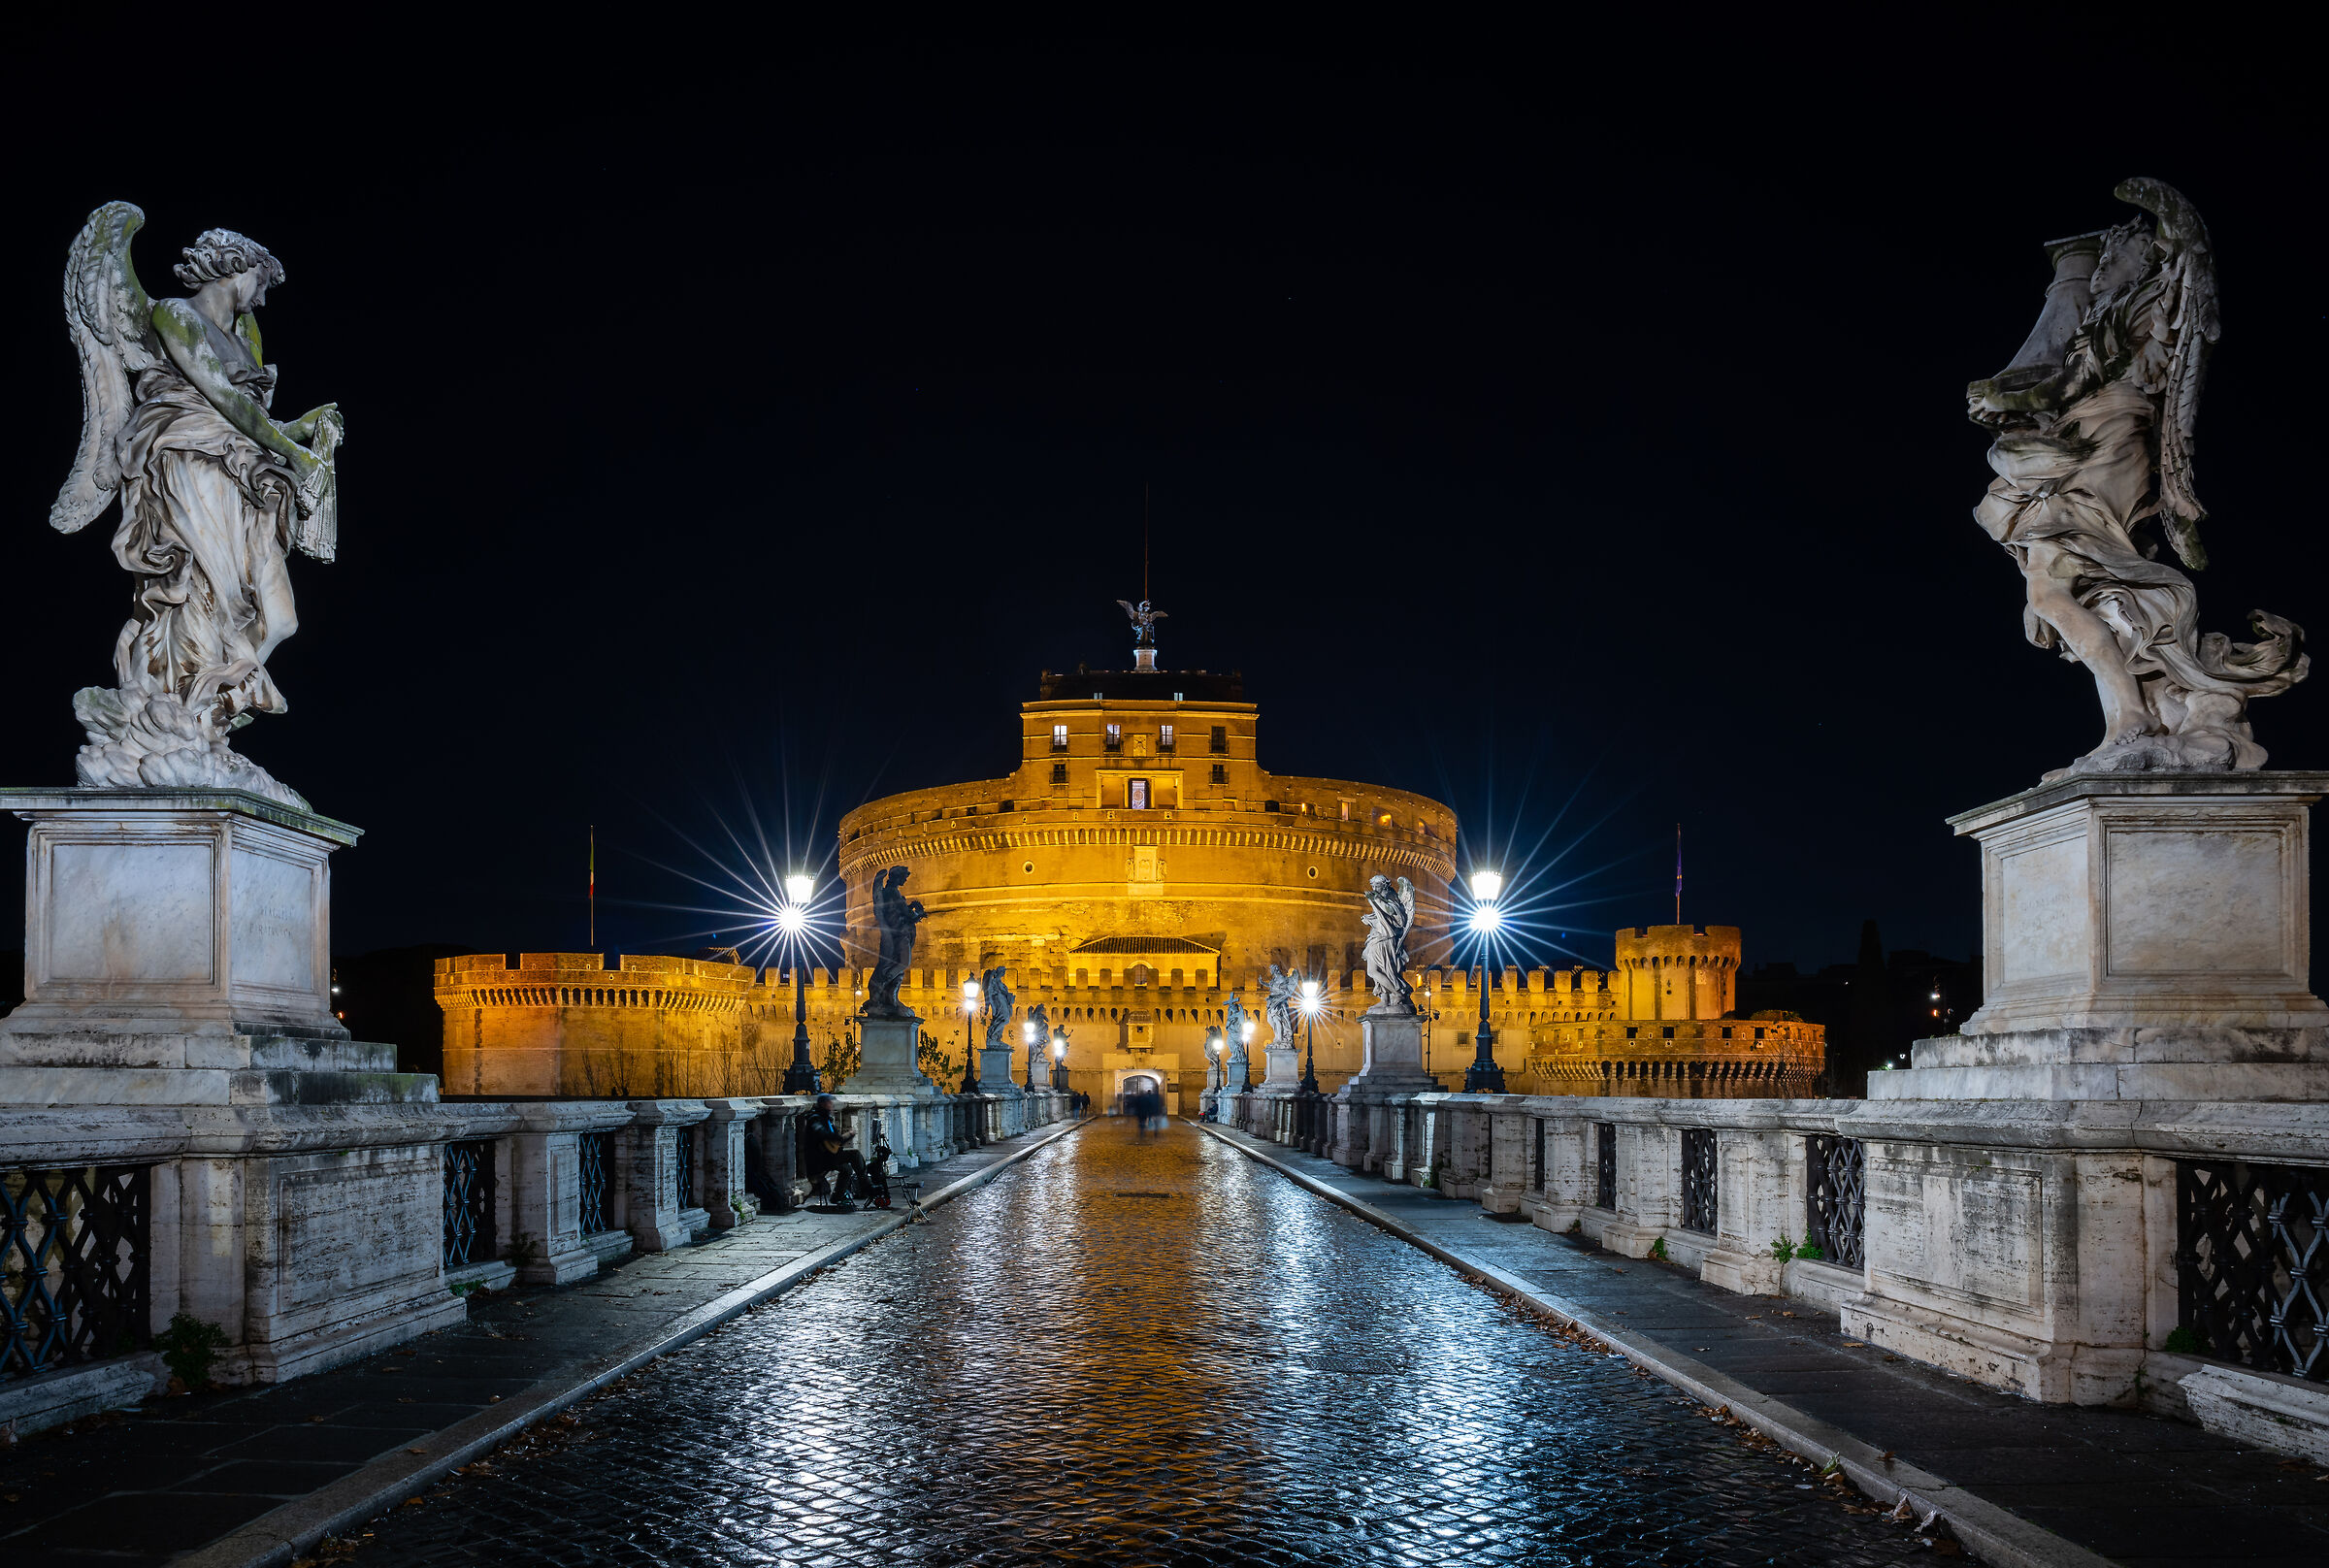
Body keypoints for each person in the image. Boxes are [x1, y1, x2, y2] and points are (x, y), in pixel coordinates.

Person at [800, 1095, 871, 1211]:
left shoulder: (826, 1119)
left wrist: (846, 1137)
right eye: (829, 1103)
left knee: (847, 1169)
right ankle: (866, 1186)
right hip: (819, 1159)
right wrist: (845, 1136)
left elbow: (835, 1141)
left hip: (828, 1156)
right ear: (823, 1104)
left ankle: (837, 1196)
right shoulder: (815, 1119)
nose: (832, 1105)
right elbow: (825, 1135)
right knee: (855, 1154)